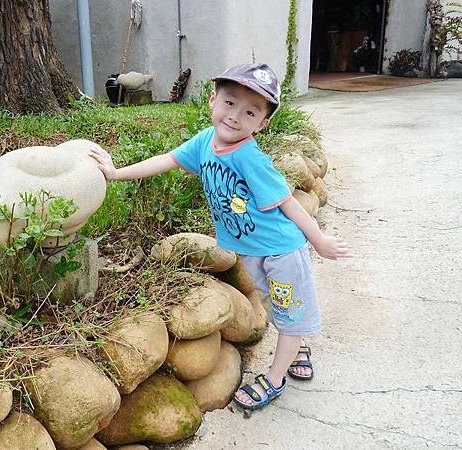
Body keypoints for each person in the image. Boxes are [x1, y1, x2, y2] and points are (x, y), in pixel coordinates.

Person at [89, 63, 350, 410]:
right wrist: (115, 174)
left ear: (262, 122)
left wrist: (318, 240)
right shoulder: (204, 143)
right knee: (277, 306)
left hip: (281, 253)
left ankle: (275, 377)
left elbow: (289, 203)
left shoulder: (250, 158)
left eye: (250, 111)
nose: (235, 116)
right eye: (229, 102)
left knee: (288, 313)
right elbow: (167, 160)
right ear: (212, 100)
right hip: (254, 253)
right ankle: (297, 344)